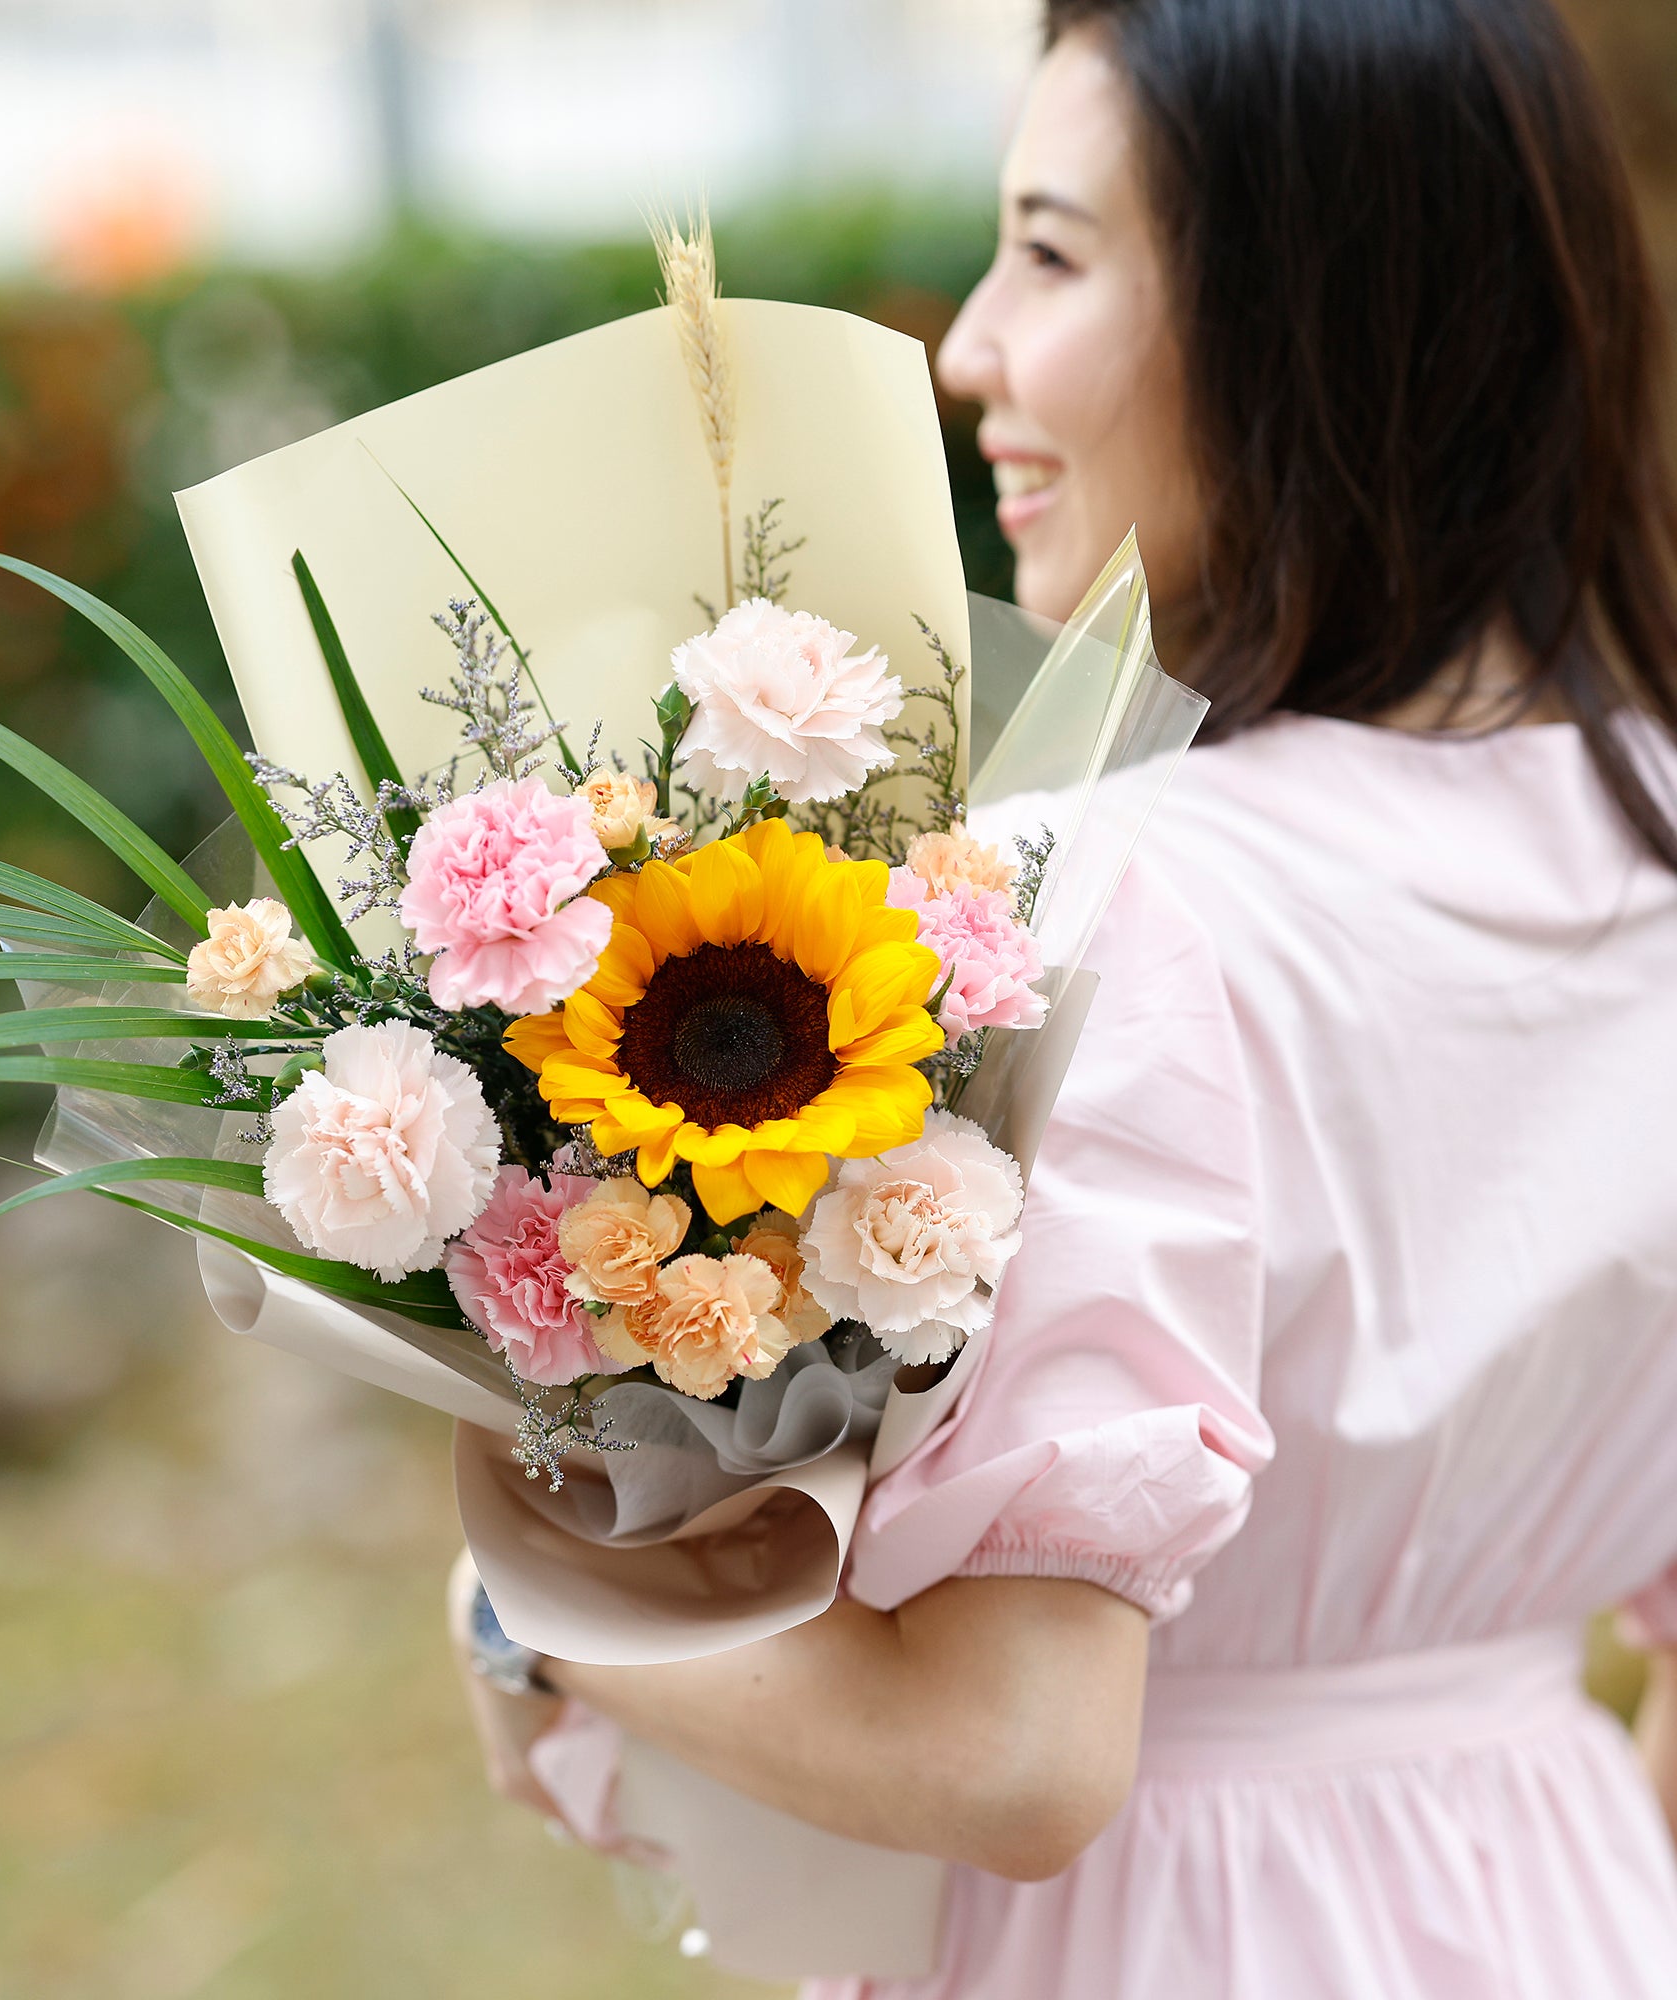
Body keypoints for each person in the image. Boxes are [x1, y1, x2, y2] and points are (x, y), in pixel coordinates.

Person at [458, 1, 1677, 1991]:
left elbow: (1013, 1748)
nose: (970, 350)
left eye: (1049, 251)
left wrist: (532, 1601)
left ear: (1299, 306)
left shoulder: (1129, 898)